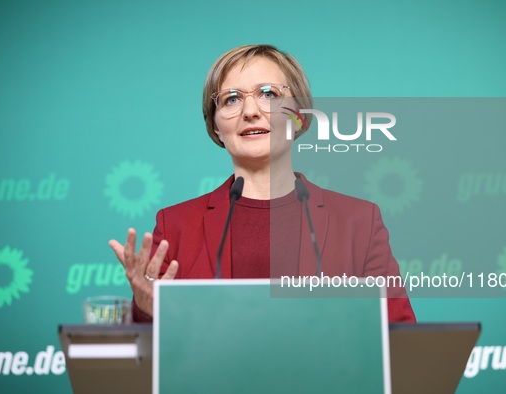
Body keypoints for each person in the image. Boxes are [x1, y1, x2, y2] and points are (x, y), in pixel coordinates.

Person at [109, 44, 416, 323]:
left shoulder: (358, 221)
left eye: (269, 94)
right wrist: (146, 310)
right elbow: (152, 361)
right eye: (231, 99)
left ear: (300, 118)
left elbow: (401, 344)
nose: (250, 111)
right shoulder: (175, 225)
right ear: (215, 127)